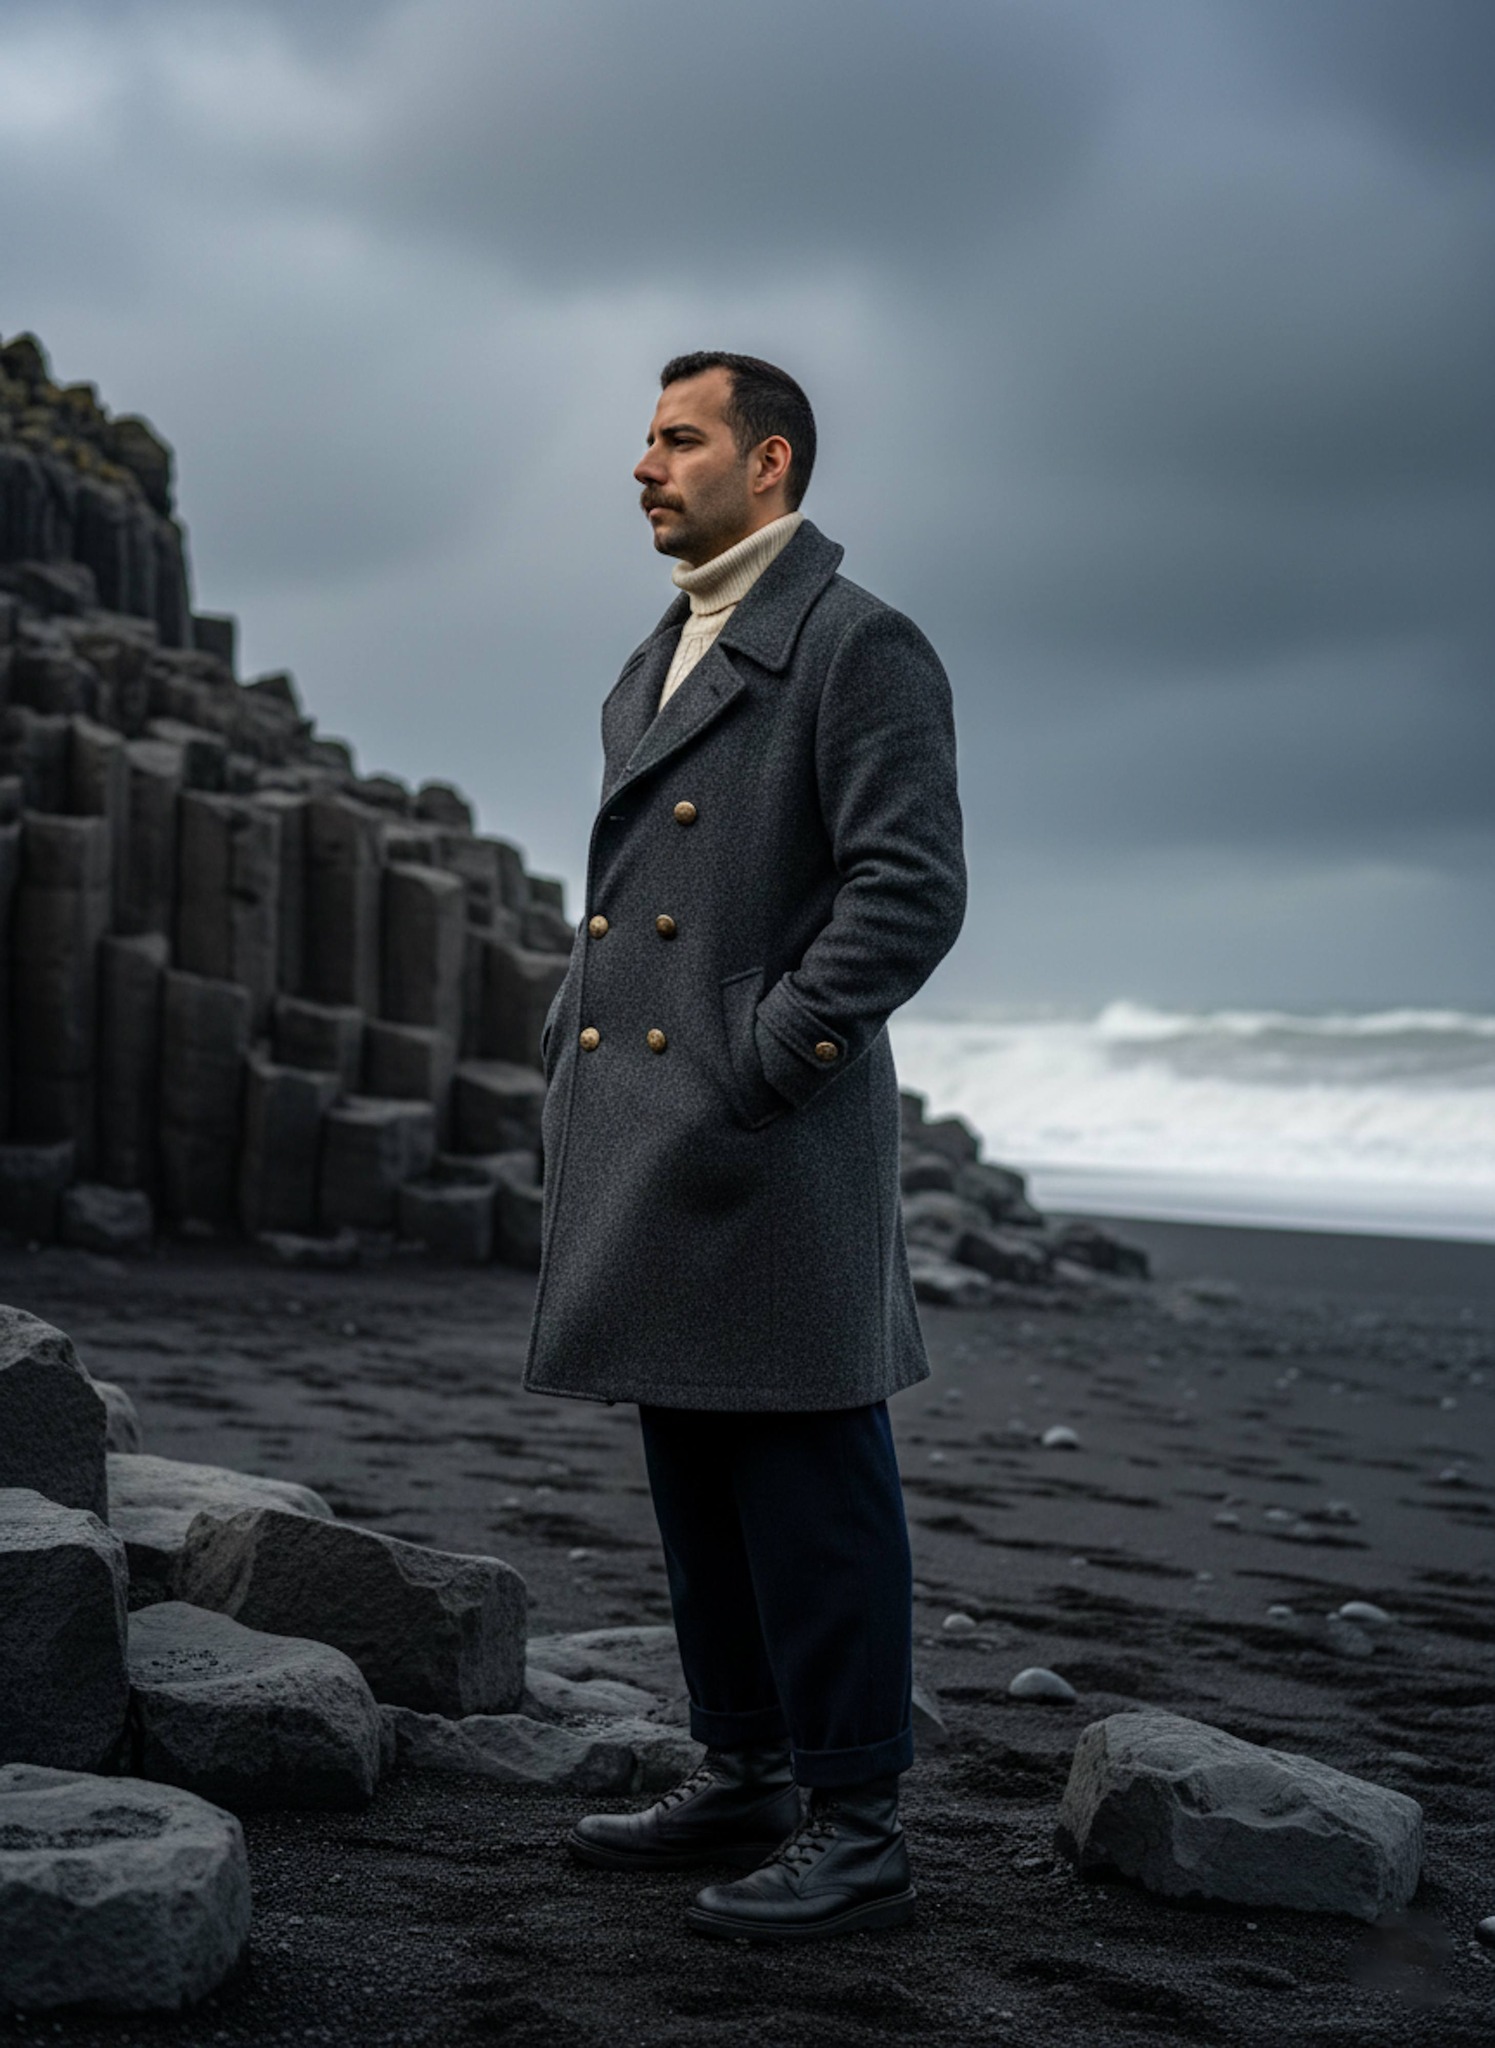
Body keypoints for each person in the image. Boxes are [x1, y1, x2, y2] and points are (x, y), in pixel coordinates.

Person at [523, 351, 965, 1940]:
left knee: (809, 1478)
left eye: (680, 439)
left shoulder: (857, 643)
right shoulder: (658, 655)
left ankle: (857, 1826)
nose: (646, 465)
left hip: (763, 1143)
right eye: (645, 439)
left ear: (770, 463)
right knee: (698, 1468)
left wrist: (764, 1063)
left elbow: (909, 891)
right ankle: (746, 1771)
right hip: (656, 1132)